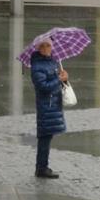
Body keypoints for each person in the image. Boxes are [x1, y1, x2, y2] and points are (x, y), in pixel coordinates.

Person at [30, 37, 68, 178]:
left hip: (53, 105)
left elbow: (56, 82)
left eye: (48, 46)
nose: (46, 48)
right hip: (46, 106)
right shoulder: (37, 66)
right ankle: (41, 168)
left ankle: (42, 167)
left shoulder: (52, 62)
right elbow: (43, 87)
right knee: (44, 137)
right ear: (38, 48)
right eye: (43, 46)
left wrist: (64, 77)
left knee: (47, 136)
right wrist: (58, 79)